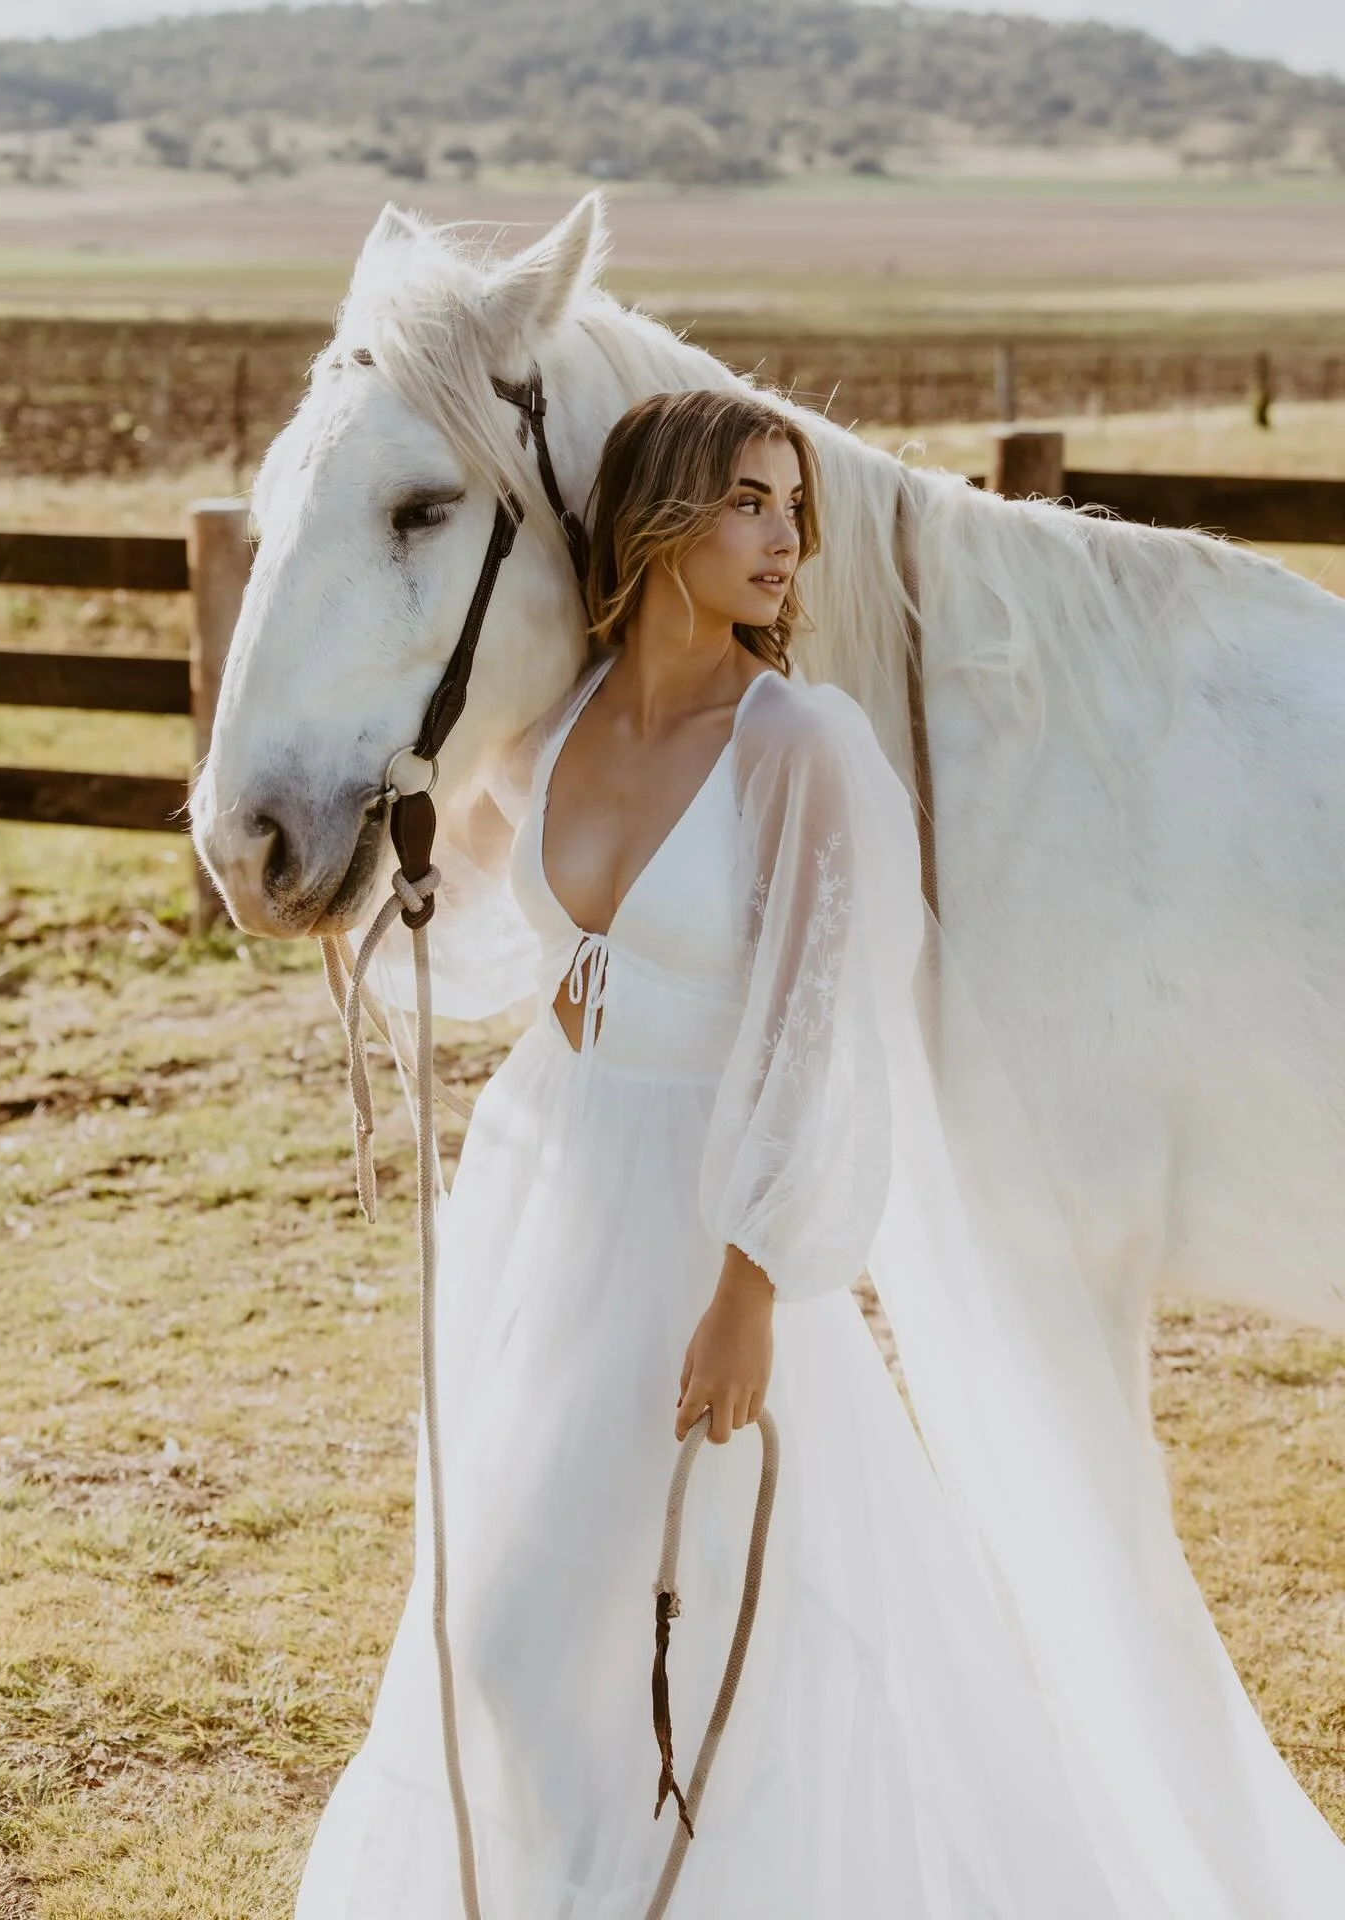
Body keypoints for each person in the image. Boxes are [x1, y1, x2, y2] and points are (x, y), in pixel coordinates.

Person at [294, 390, 1345, 1918]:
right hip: (546, 1188)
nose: (788, 539)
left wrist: (752, 1284)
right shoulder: (567, 722)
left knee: (625, 1626)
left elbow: (820, 1030)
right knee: (504, 1629)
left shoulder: (800, 746)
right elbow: (512, 942)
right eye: (748, 502)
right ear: (657, 523)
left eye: (797, 505)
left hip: (694, 1225)